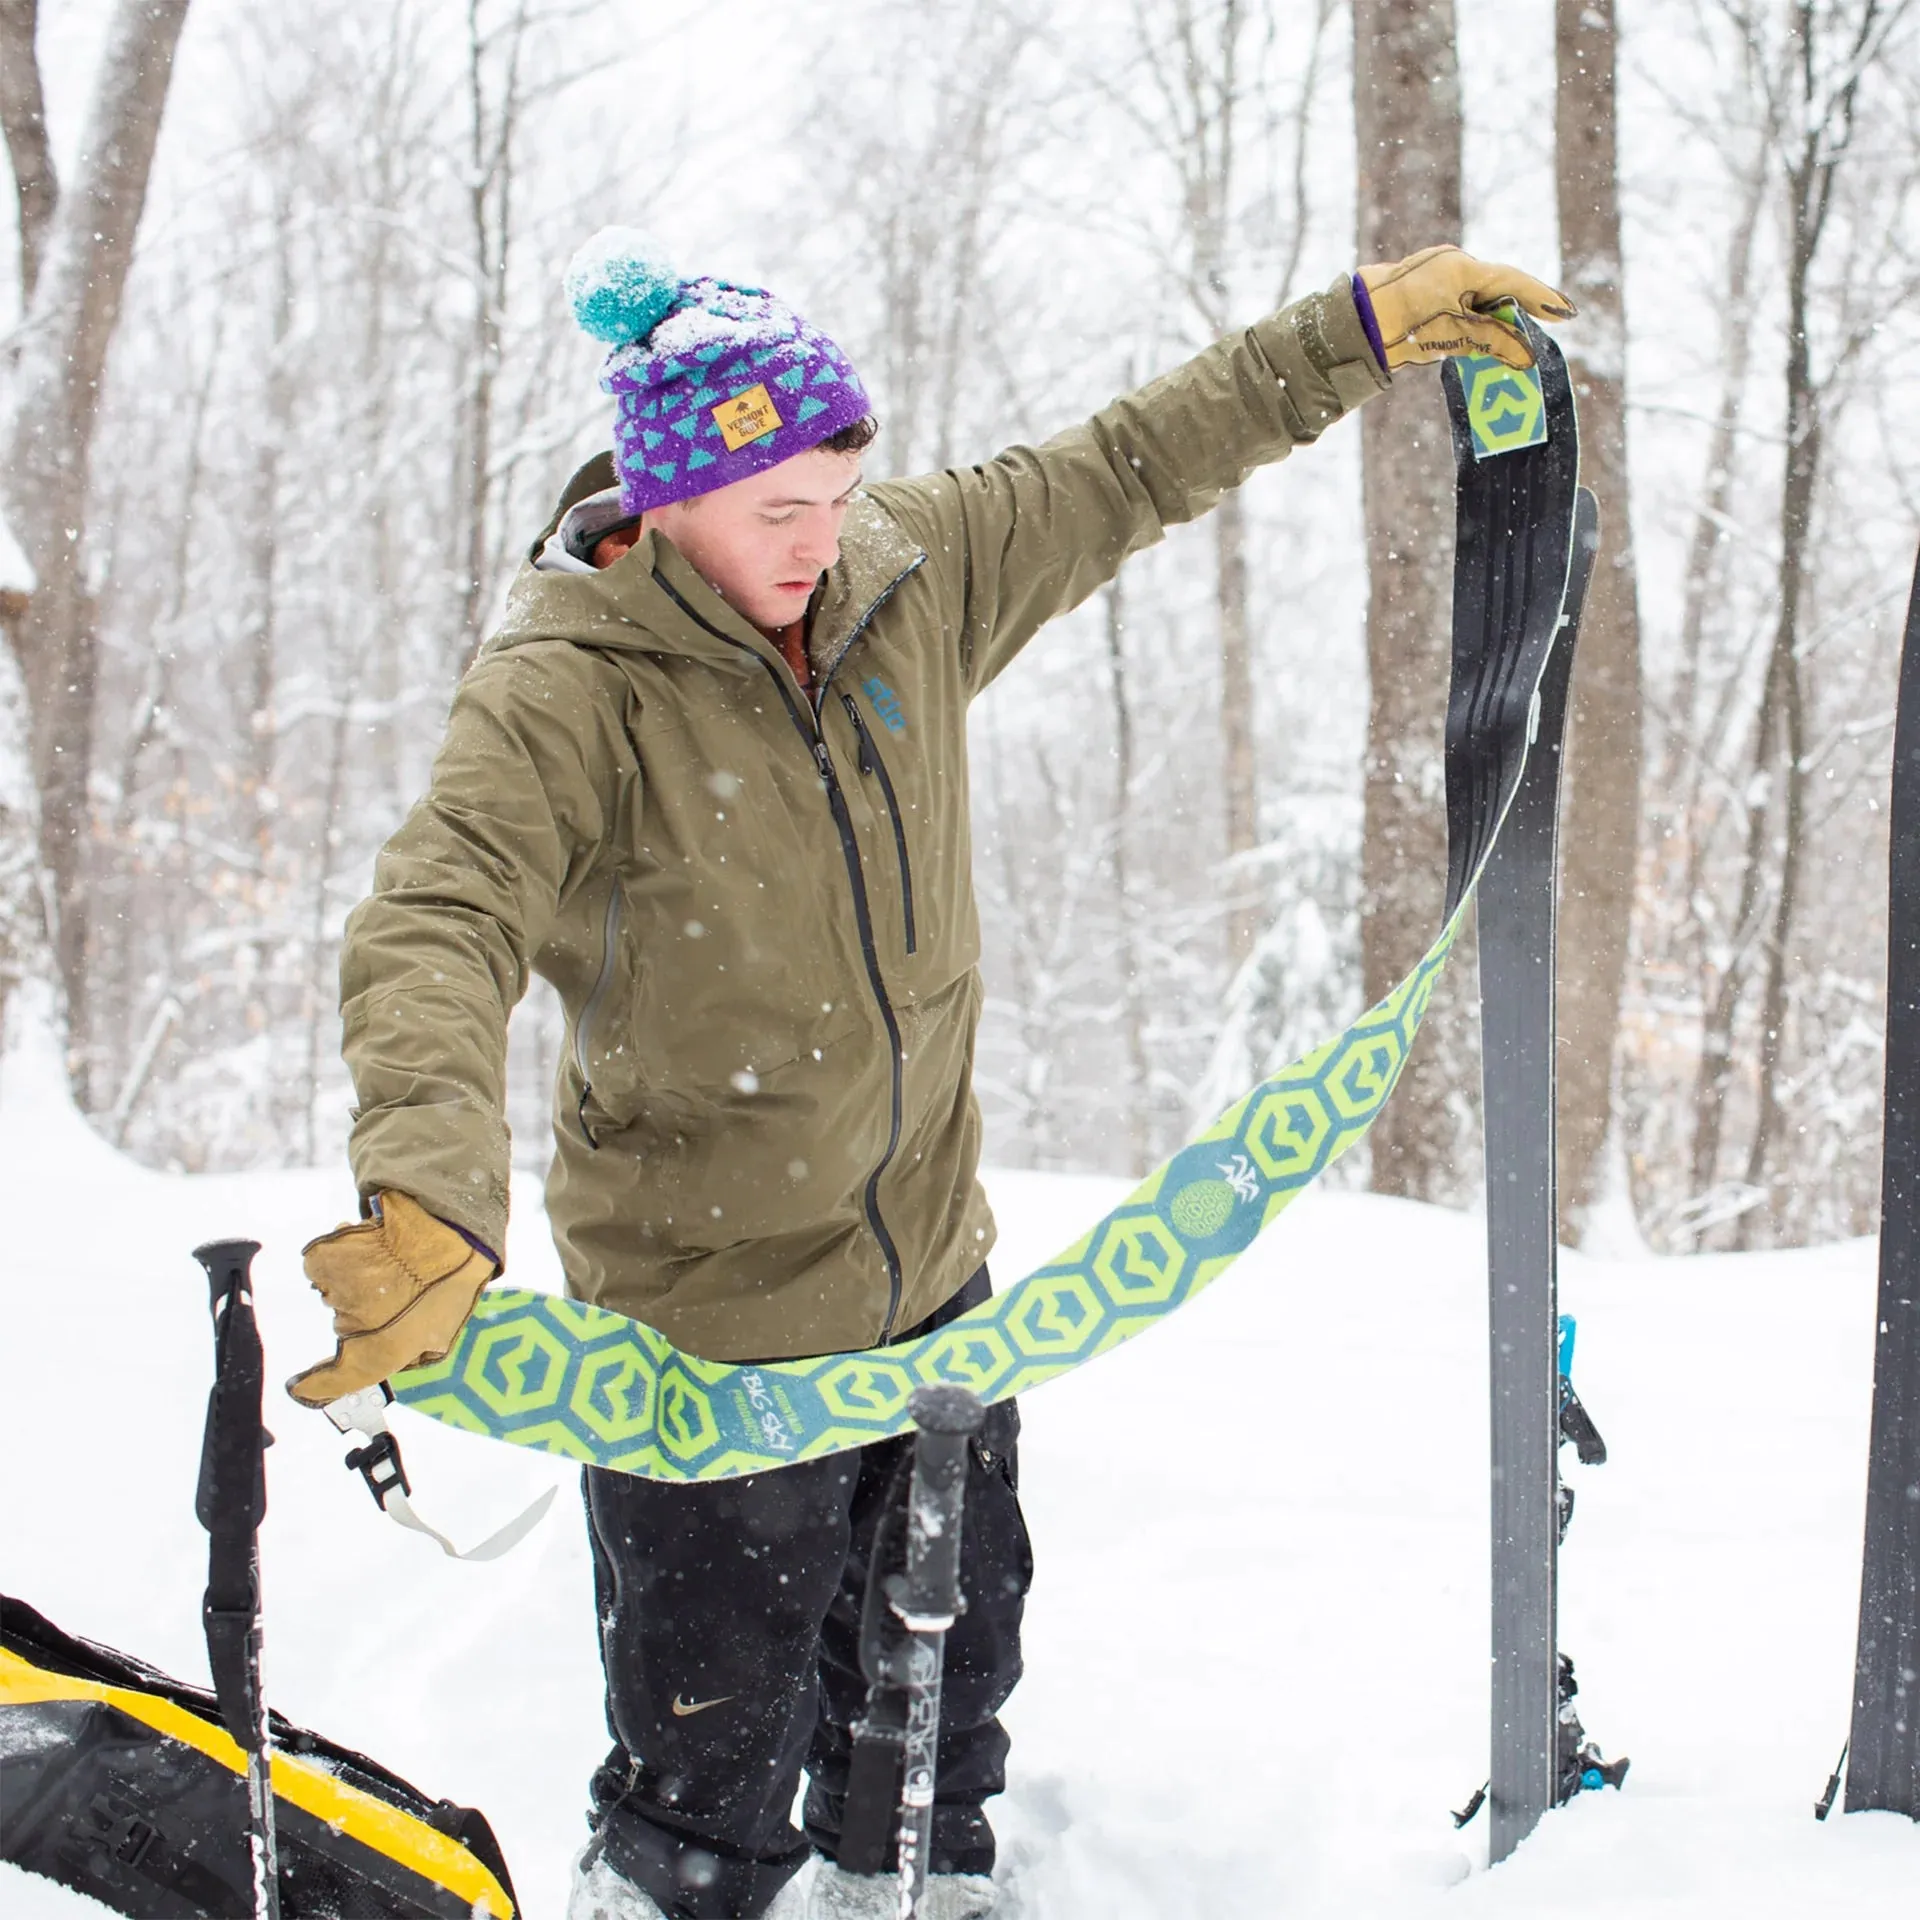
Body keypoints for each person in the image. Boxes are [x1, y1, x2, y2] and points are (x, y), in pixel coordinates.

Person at [288, 232, 1572, 1920]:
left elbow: (1133, 459)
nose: (819, 543)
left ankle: (922, 1889)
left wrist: (1349, 334)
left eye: (835, 494)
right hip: (708, 1352)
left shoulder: (907, 575)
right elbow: (436, 919)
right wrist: (428, 1186)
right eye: (776, 513)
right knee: (709, 1772)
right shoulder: (568, 689)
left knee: (941, 1712)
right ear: (668, 500)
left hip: (941, 1316)